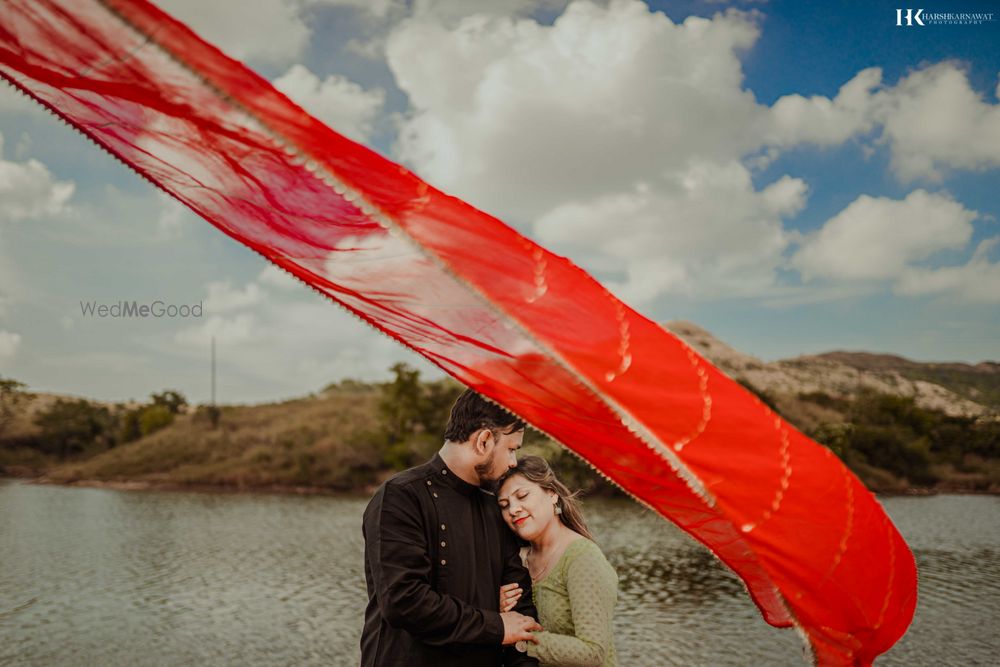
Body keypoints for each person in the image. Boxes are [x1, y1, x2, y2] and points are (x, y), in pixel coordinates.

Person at [361, 388, 543, 666]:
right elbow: (404, 602)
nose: (513, 462)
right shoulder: (400, 496)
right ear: (483, 441)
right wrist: (496, 625)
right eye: (511, 449)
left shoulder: (496, 506)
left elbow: (521, 611)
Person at [496, 457, 618, 667]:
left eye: (522, 496)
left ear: (551, 494)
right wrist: (498, 611)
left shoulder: (582, 558)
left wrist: (521, 639)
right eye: (504, 505)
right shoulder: (517, 561)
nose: (513, 509)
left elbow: (593, 652)